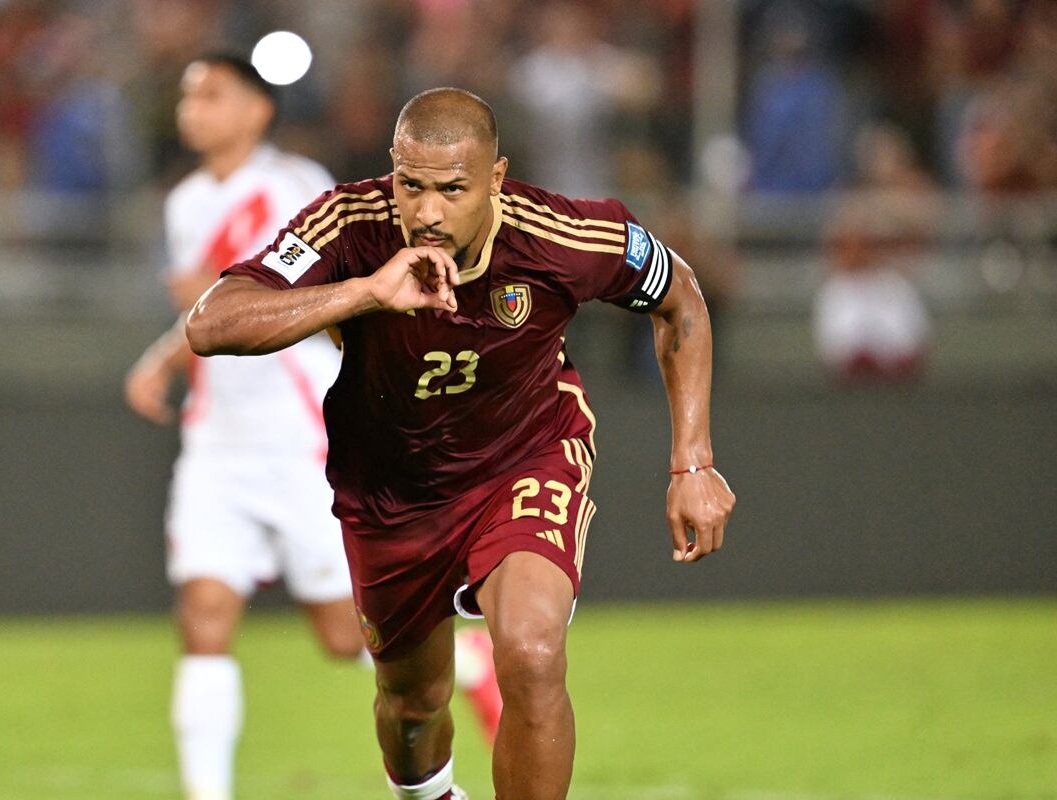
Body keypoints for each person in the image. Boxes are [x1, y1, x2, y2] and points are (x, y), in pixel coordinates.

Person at [187, 88, 735, 800]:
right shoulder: (348, 224)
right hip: (392, 491)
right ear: (392, 171)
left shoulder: (565, 236)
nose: (427, 212)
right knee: (412, 706)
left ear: (496, 178)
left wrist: (693, 461)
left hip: (524, 459)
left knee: (532, 653)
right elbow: (211, 323)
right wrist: (364, 293)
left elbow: (681, 295)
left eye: (452, 189)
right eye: (411, 186)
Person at [124, 61, 502, 800]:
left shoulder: (297, 187)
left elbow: (332, 287)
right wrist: (165, 357)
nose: (193, 109)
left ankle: (473, 666)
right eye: (189, 96)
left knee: (344, 633)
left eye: (213, 95)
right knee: (203, 617)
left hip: (301, 436)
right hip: (216, 440)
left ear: (258, 110)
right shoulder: (186, 201)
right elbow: (219, 309)